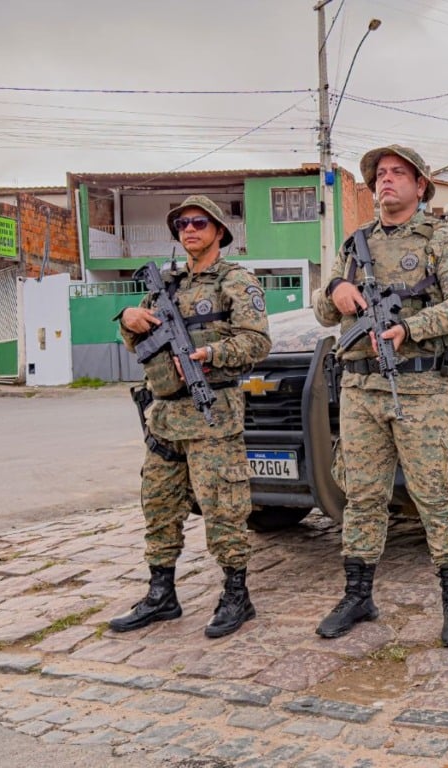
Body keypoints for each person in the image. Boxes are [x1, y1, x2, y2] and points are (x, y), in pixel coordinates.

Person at [313, 145, 448, 647]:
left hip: (421, 388)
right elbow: (324, 313)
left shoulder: (439, 239)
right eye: (380, 174)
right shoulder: (355, 243)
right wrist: (335, 289)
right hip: (360, 388)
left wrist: (411, 328)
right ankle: (357, 595)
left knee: (436, 495)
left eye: (398, 173)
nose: (386, 180)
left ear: (420, 185)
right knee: (362, 495)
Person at [110, 195, 272, 639]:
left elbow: (258, 342)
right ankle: (161, 594)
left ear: (219, 231)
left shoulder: (236, 281)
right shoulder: (167, 284)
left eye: (199, 223)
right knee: (159, 506)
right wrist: (128, 319)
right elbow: (136, 338)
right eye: (182, 224)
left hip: (212, 415)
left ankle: (237, 595)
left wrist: (211, 353)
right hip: (164, 419)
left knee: (224, 509)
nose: (190, 230)